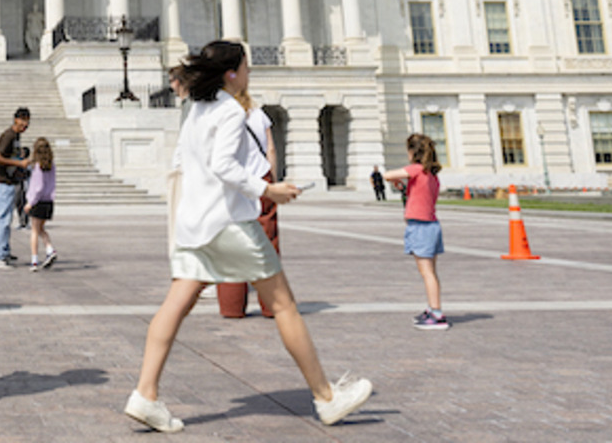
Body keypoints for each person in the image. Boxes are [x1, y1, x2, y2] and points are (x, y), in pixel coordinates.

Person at [124, 41, 372, 432]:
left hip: (195, 223)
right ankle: (326, 397)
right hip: (229, 224)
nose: (251, 73)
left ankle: (146, 392)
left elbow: (193, 165)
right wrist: (268, 190)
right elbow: (223, 166)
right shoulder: (228, 111)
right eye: (247, 67)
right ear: (231, 73)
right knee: (285, 305)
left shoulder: (196, 111)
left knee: (175, 305)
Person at [217, 80, 280, 320]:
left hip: (234, 180)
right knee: (267, 242)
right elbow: (270, 149)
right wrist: (271, 180)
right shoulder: (259, 114)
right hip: (260, 178)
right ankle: (270, 305)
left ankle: (232, 307)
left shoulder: (221, 114)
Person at [383, 134, 448, 330]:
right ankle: (432, 308)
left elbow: (387, 175)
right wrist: (403, 186)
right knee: (431, 272)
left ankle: (436, 313)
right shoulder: (432, 176)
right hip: (431, 225)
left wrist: (402, 176)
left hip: (420, 226)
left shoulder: (416, 169)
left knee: (426, 272)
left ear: (413, 153)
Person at [0, 107, 32, 269]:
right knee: (2, 218)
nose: (25, 124)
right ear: (15, 120)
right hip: (1, 181)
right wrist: (19, 163)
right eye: (22, 120)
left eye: (27, 121)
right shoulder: (9, 136)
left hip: (8, 180)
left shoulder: (16, 136)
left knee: (6, 218)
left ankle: (4, 251)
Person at [25, 137, 56, 270]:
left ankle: (34, 260)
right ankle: (49, 250)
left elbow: (38, 187)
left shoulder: (38, 166)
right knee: (41, 229)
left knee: (34, 231)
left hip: (38, 202)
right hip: (48, 201)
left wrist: (30, 203)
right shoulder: (51, 165)